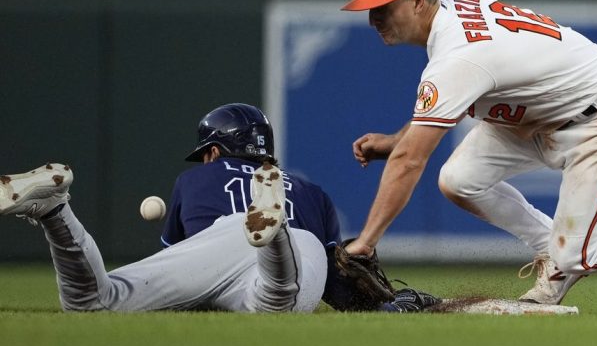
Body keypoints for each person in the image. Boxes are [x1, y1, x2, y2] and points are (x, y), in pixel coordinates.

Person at [340, 0, 597, 314]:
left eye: (384, 6)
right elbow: (438, 105)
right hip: (533, 117)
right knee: (458, 180)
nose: (375, 18)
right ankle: (552, 253)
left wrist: (367, 241)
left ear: (418, 0)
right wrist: (396, 139)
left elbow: (409, 161)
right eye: (370, 9)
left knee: (577, 255)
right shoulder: (452, 8)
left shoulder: (458, 56)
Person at [0, 102, 438, 313]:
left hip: (217, 242)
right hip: (293, 247)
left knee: (94, 301)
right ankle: (273, 229)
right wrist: (384, 306)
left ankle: (56, 211)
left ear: (215, 151)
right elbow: (337, 291)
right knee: (276, 300)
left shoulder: (194, 180)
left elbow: (183, 263)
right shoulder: (311, 191)